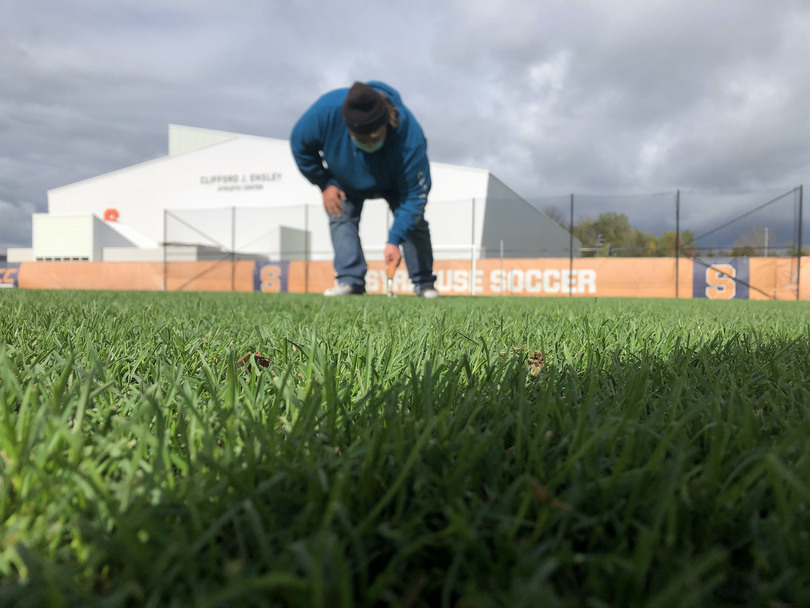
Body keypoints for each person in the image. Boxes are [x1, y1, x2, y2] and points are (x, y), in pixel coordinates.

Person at [290, 81, 439, 298]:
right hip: (344, 180)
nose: (369, 146)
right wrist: (324, 183)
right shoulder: (325, 113)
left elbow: (416, 196)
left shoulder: (410, 136)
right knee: (339, 212)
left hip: (396, 184)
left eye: (375, 138)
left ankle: (424, 283)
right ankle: (350, 281)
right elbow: (299, 146)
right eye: (362, 140)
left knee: (413, 222)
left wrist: (394, 240)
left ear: (388, 122)